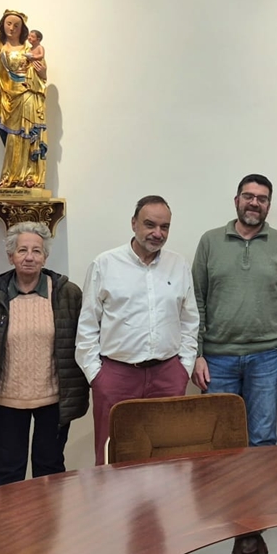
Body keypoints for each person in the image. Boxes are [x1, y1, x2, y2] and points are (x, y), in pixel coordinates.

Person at [76, 196, 198, 465]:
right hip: (117, 375)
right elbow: (88, 324)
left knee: (168, 456)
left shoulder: (178, 265)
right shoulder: (105, 264)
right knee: (114, 455)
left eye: (165, 227)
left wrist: (184, 367)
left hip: (167, 374)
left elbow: (190, 320)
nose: (158, 233)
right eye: (150, 225)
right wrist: (97, 375)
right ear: (133, 223)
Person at [0, 222, 87, 487]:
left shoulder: (68, 293)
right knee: (8, 473)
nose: (29, 257)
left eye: (36, 251)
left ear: (45, 257)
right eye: (22, 250)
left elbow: (81, 340)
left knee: (50, 469)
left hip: (53, 399)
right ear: (11, 256)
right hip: (6, 399)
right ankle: (7, 518)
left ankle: (49, 517)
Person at [191, 174, 277, 446]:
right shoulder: (210, 241)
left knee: (262, 439)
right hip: (217, 359)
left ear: (268, 206)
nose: (254, 203)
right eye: (248, 196)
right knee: (218, 441)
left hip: (268, 357)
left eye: (262, 199)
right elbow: (195, 301)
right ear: (236, 200)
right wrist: (197, 354)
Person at [0, 9, 47, 190]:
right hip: (9, 98)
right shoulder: (2, 51)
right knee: (13, 138)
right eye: (8, 24)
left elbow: (42, 73)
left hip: (28, 94)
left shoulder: (30, 50)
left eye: (16, 25)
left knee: (29, 135)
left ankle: (31, 177)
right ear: (2, 26)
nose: (12, 28)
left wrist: (41, 71)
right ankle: (10, 177)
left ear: (22, 29)